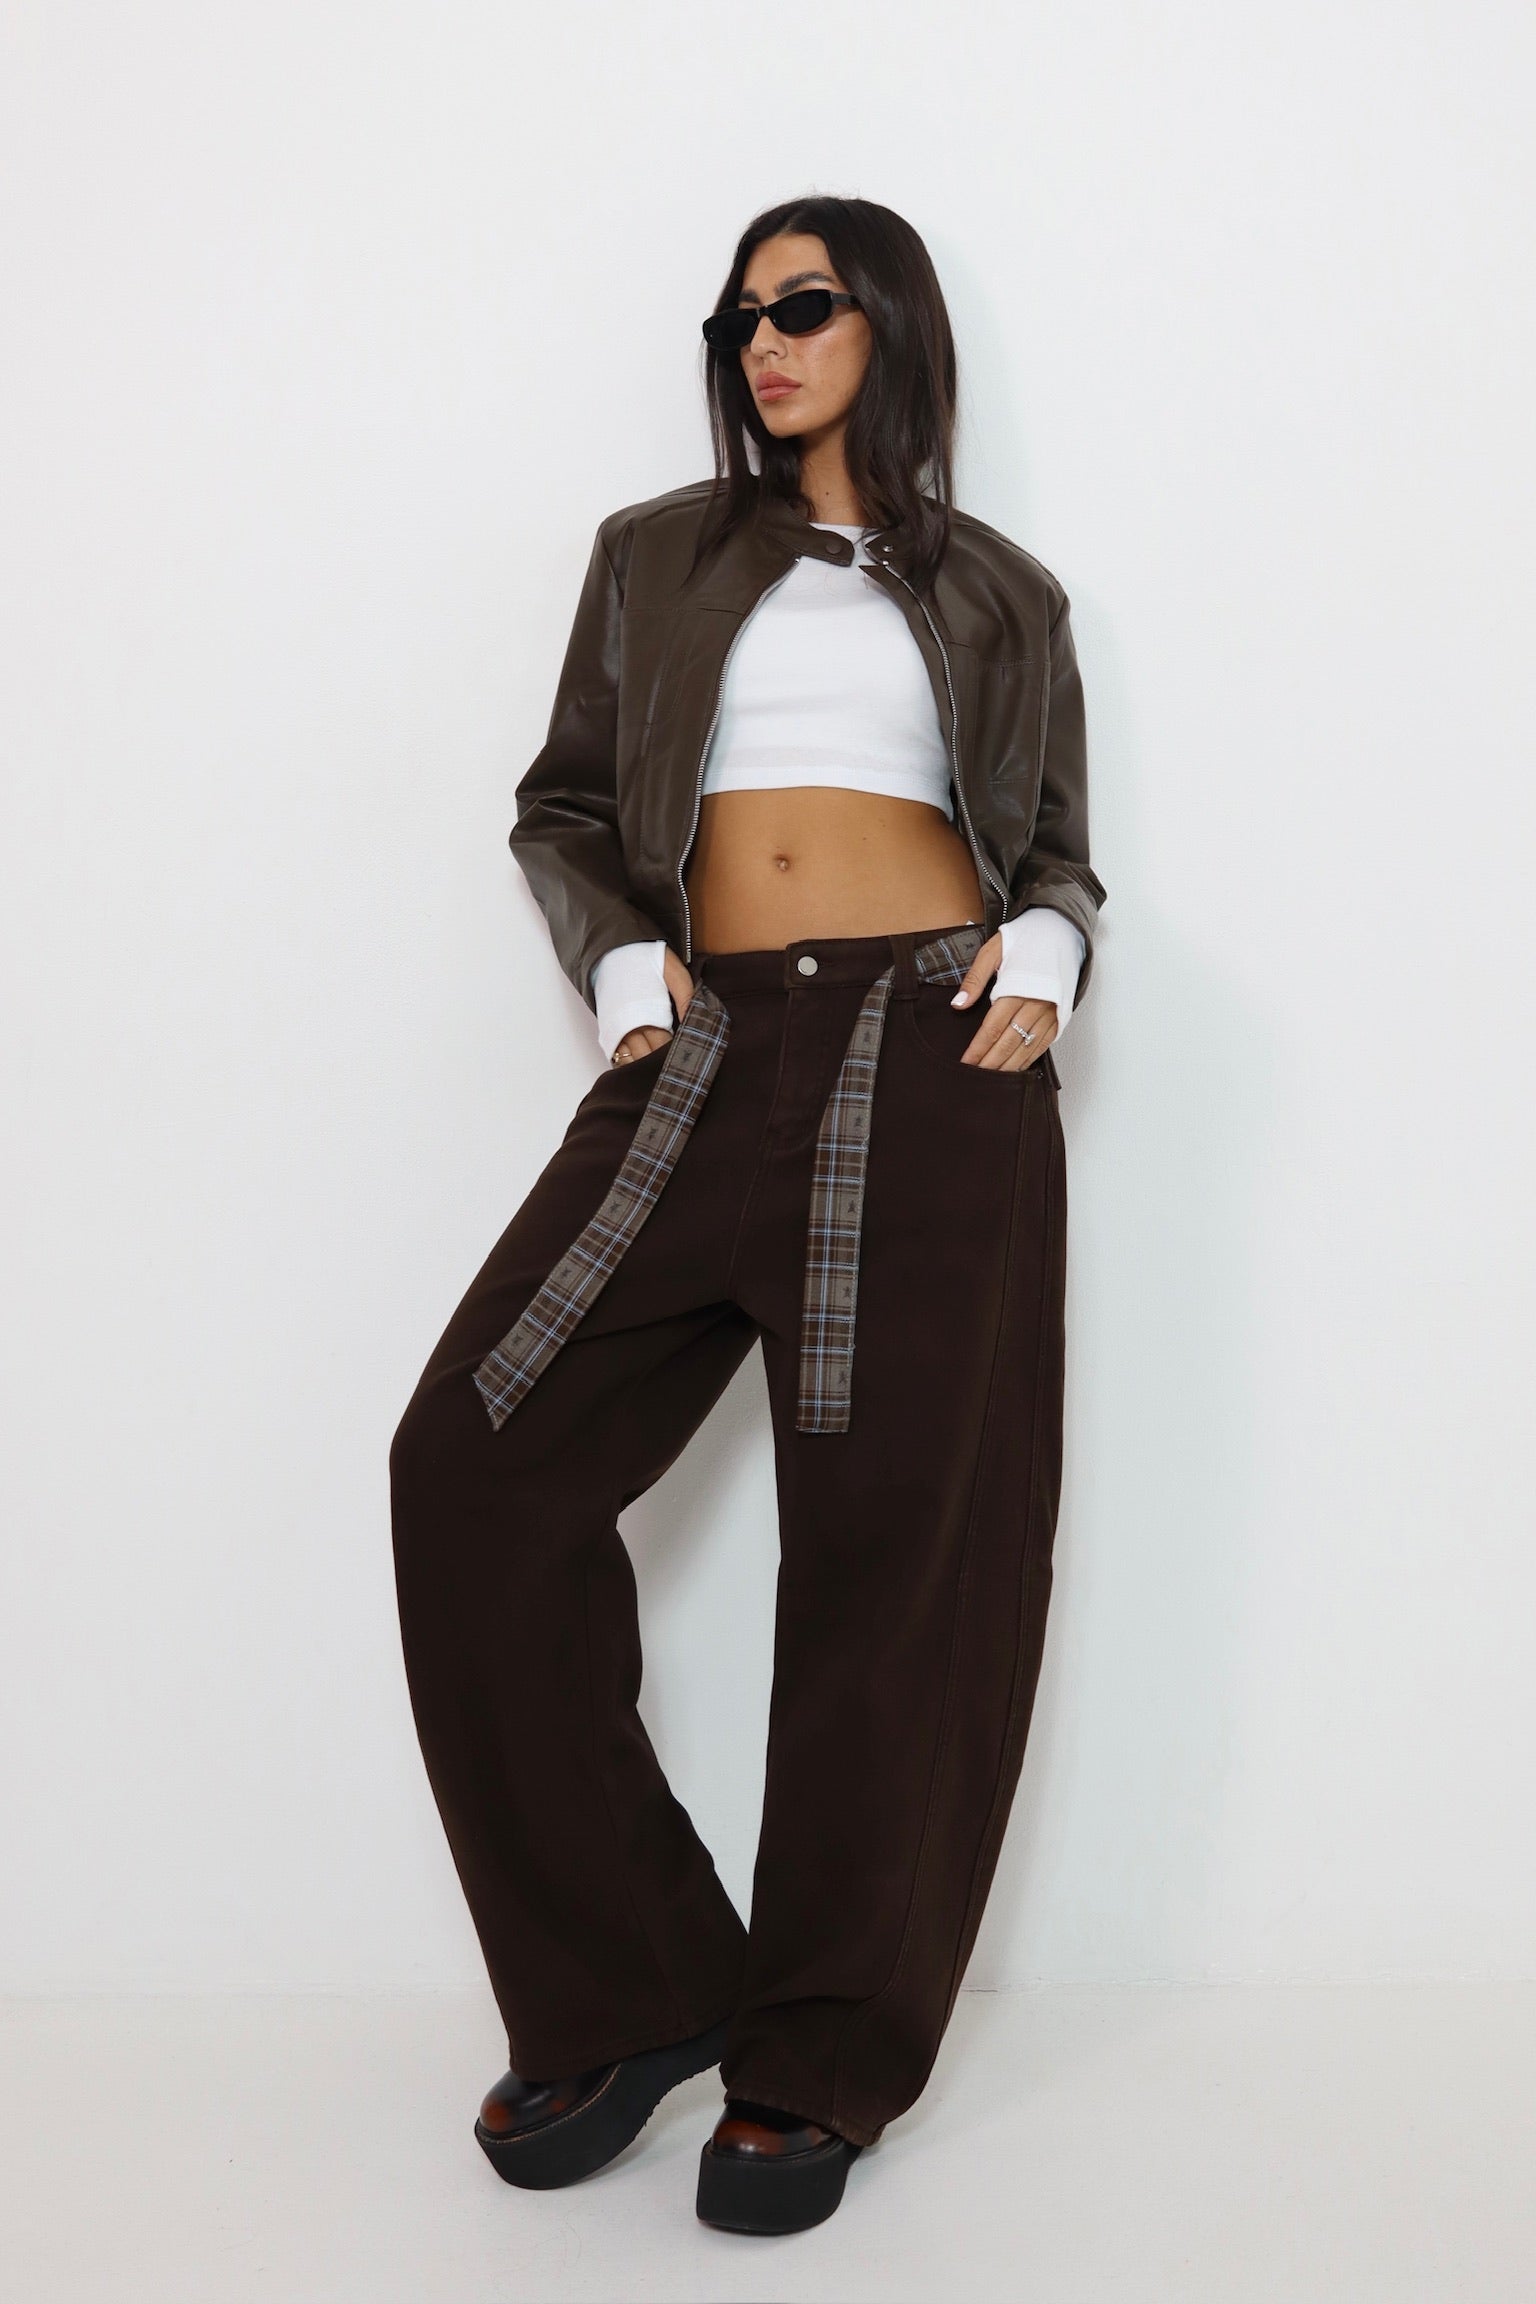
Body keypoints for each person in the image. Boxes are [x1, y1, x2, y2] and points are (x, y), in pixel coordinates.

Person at [389, 193, 1105, 2237]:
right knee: (472, 1464)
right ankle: (632, 1986)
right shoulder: (655, 557)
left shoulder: (1003, 593)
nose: (762, 342)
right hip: (698, 1051)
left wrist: (1053, 950)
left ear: (891, 327)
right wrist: (626, 973)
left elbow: (1056, 845)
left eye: (804, 306)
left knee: (897, 1562)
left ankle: (822, 2052)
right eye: (740, 318)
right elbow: (566, 805)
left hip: (930, 1052)